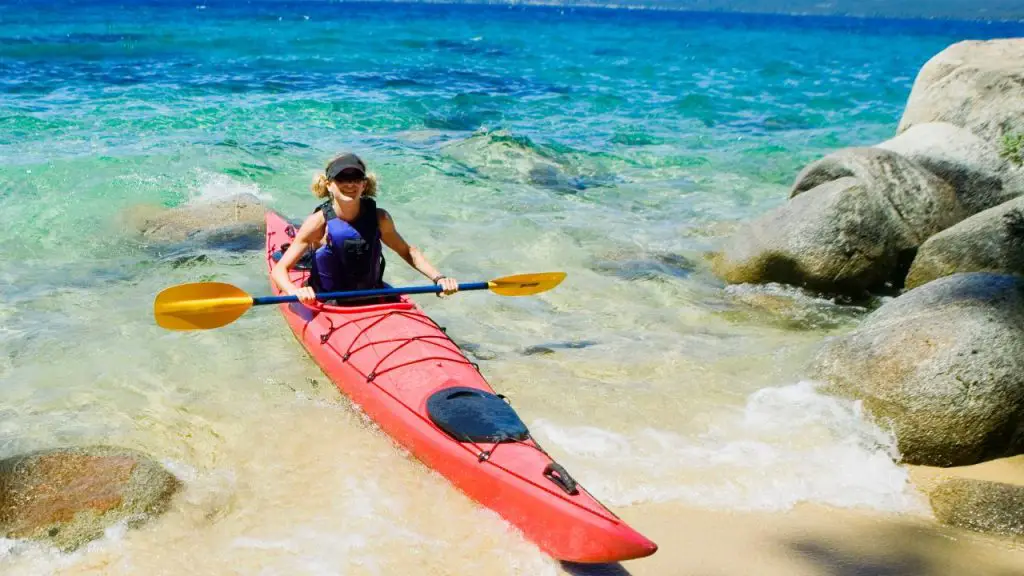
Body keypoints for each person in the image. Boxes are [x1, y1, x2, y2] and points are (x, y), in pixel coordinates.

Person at [271, 152, 458, 305]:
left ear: (364, 184)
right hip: (328, 301)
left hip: (373, 295)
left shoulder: (380, 218)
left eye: (356, 178)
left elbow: (409, 252)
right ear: (328, 185)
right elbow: (280, 270)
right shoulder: (317, 222)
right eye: (342, 178)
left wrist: (439, 278)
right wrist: (296, 292)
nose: (350, 184)